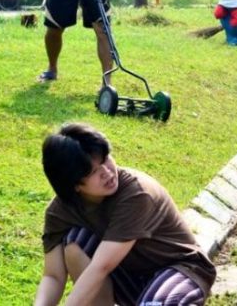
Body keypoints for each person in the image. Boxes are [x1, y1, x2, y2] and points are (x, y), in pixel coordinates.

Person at [34, 123, 216, 306]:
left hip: (180, 270)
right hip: (132, 278)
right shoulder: (60, 211)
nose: (107, 173)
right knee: (75, 242)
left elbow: (101, 267)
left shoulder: (136, 193)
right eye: (93, 171)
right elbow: (53, 276)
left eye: (105, 159)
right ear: (75, 185)